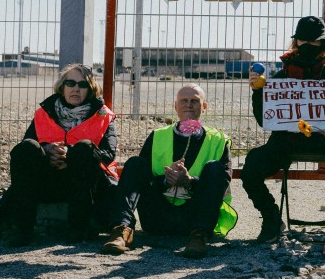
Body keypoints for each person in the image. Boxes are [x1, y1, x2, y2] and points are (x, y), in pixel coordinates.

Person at [241, 16, 325, 246]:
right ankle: (271, 219)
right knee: (251, 166)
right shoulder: (283, 74)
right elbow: (264, 119)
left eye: (314, 42)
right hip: (287, 140)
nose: (308, 46)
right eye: (303, 41)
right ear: (296, 42)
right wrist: (259, 91)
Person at [100, 84, 235, 259]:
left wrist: (190, 181)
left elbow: (222, 183)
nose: (188, 105)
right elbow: (141, 179)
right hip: (157, 217)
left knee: (215, 167)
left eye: (194, 101)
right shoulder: (158, 135)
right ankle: (121, 230)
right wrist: (165, 181)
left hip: (195, 219)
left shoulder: (219, 140)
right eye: (184, 101)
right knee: (134, 163)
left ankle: (200, 237)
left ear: (204, 107)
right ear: (175, 106)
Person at [0, 63, 118, 246]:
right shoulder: (43, 113)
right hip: (48, 181)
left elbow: (108, 154)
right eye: (71, 83)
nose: (76, 88)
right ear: (62, 87)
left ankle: (78, 230)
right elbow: (26, 150)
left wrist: (71, 155)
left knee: (85, 148)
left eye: (83, 84)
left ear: (90, 89)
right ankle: (22, 230)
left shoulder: (103, 116)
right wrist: (47, 152)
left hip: (86, 185)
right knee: (28, 147)